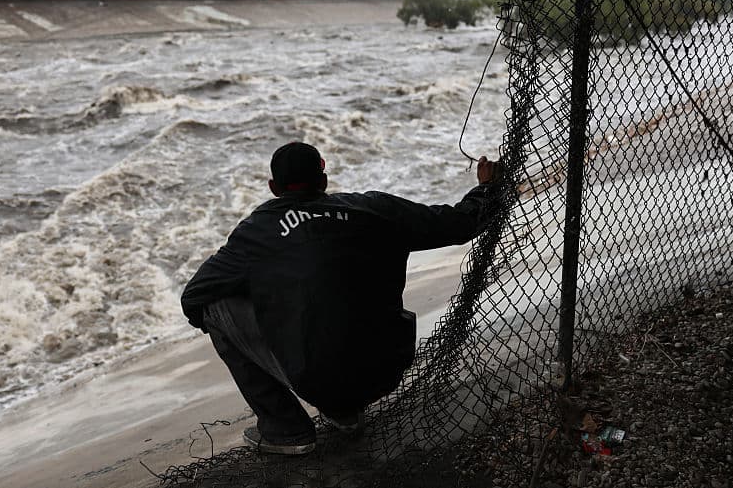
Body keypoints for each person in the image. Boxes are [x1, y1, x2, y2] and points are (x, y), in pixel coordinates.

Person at [180, 142, 503, 455]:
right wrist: (485, 187)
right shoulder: (375, 209)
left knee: (214, 306)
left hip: (318, 377)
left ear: (273, 188)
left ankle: (286, 429)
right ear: (323, 180)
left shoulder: (257, 231)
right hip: (386, 366)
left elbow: (194, 296)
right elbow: (462, 224)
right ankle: (344, 413)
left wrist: (269, 298)